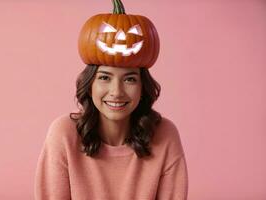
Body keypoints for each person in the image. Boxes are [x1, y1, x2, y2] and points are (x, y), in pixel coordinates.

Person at [34, 0, 188, 199]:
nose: (117, 91)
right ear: (90, 85)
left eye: (130, 79)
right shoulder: (63, 134)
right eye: (105, 78)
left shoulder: (165, 135)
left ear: (143, 87)